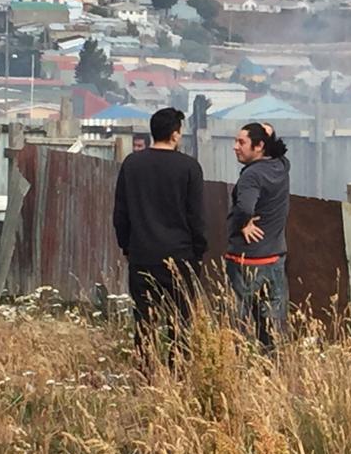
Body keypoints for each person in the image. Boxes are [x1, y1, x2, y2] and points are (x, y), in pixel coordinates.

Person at [113, 107, 207, 363]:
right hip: (180, 256)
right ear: (175, 134)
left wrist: (127, 246)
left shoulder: (132, 164)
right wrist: (199, 251)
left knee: (144, 319)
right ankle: (177, 373)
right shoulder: (189, 167)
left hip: (142, 254)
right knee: (181, 321)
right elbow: (195, 216)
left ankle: (145, 371)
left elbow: (120, 212)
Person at [226, 121, 290, 349]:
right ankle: (271, 369)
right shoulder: (282, 166)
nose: (235, 147)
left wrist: (241, 223)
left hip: (246, 260)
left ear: (259, 146)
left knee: (239, 324)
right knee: (271, 324)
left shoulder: (251, 176)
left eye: (241, 142)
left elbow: (245, 207)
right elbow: (277, 148)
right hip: (273, 259)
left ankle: (239, 370)